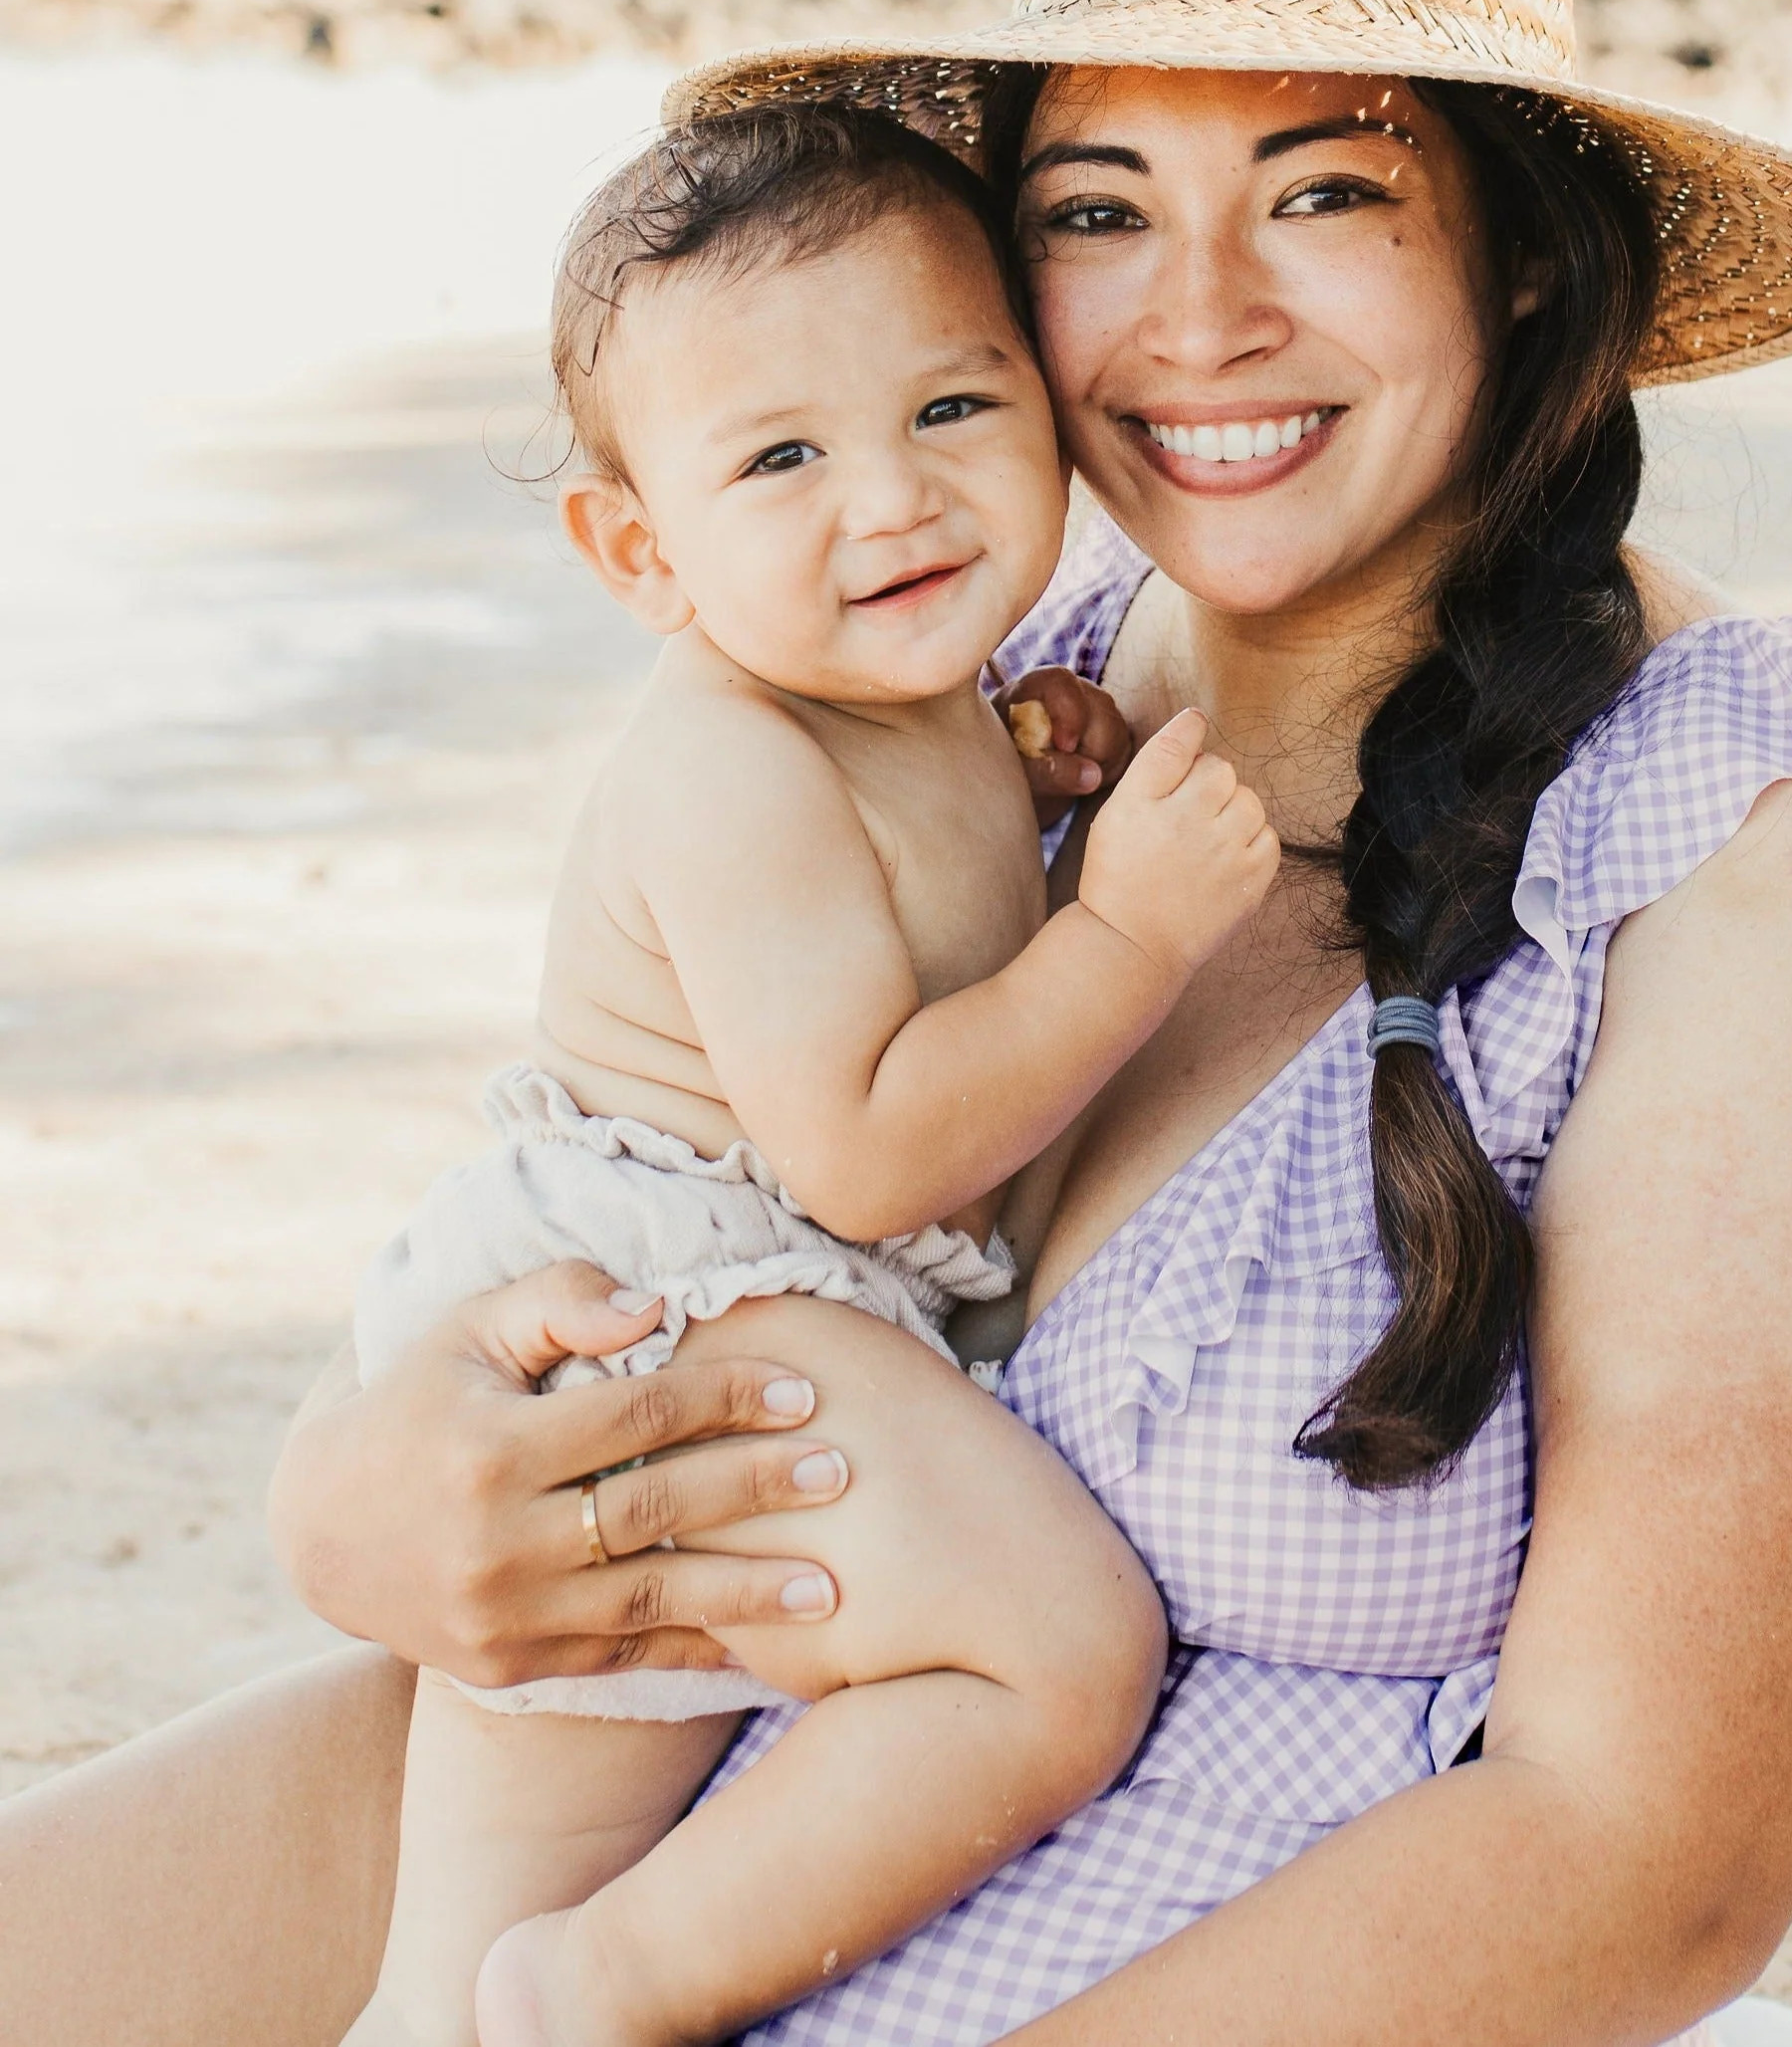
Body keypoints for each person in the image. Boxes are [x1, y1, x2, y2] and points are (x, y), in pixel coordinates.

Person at [0, 0, 1792, 2047]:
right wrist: (362, 1503)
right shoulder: (971, 665)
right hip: (614, 1817)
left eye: (1326, 191)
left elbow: (1641, 1867)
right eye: (1092, 213)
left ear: (1523, 257)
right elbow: (642, 1175)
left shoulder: (1748, 833)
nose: (1198, 314)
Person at [343, 102, 1277, 2047]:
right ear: (636, 547)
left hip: (736, 1282)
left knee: (522, 1862)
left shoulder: (903, 692)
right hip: (679, 1286)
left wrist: (1019, 776)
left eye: (952, 408)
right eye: (780, 456)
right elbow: (861, 1145)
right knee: (1059, 1653)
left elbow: (910, 912)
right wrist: (1125, 930)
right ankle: (595, 1991)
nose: (894, 501)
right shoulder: (728, 762)